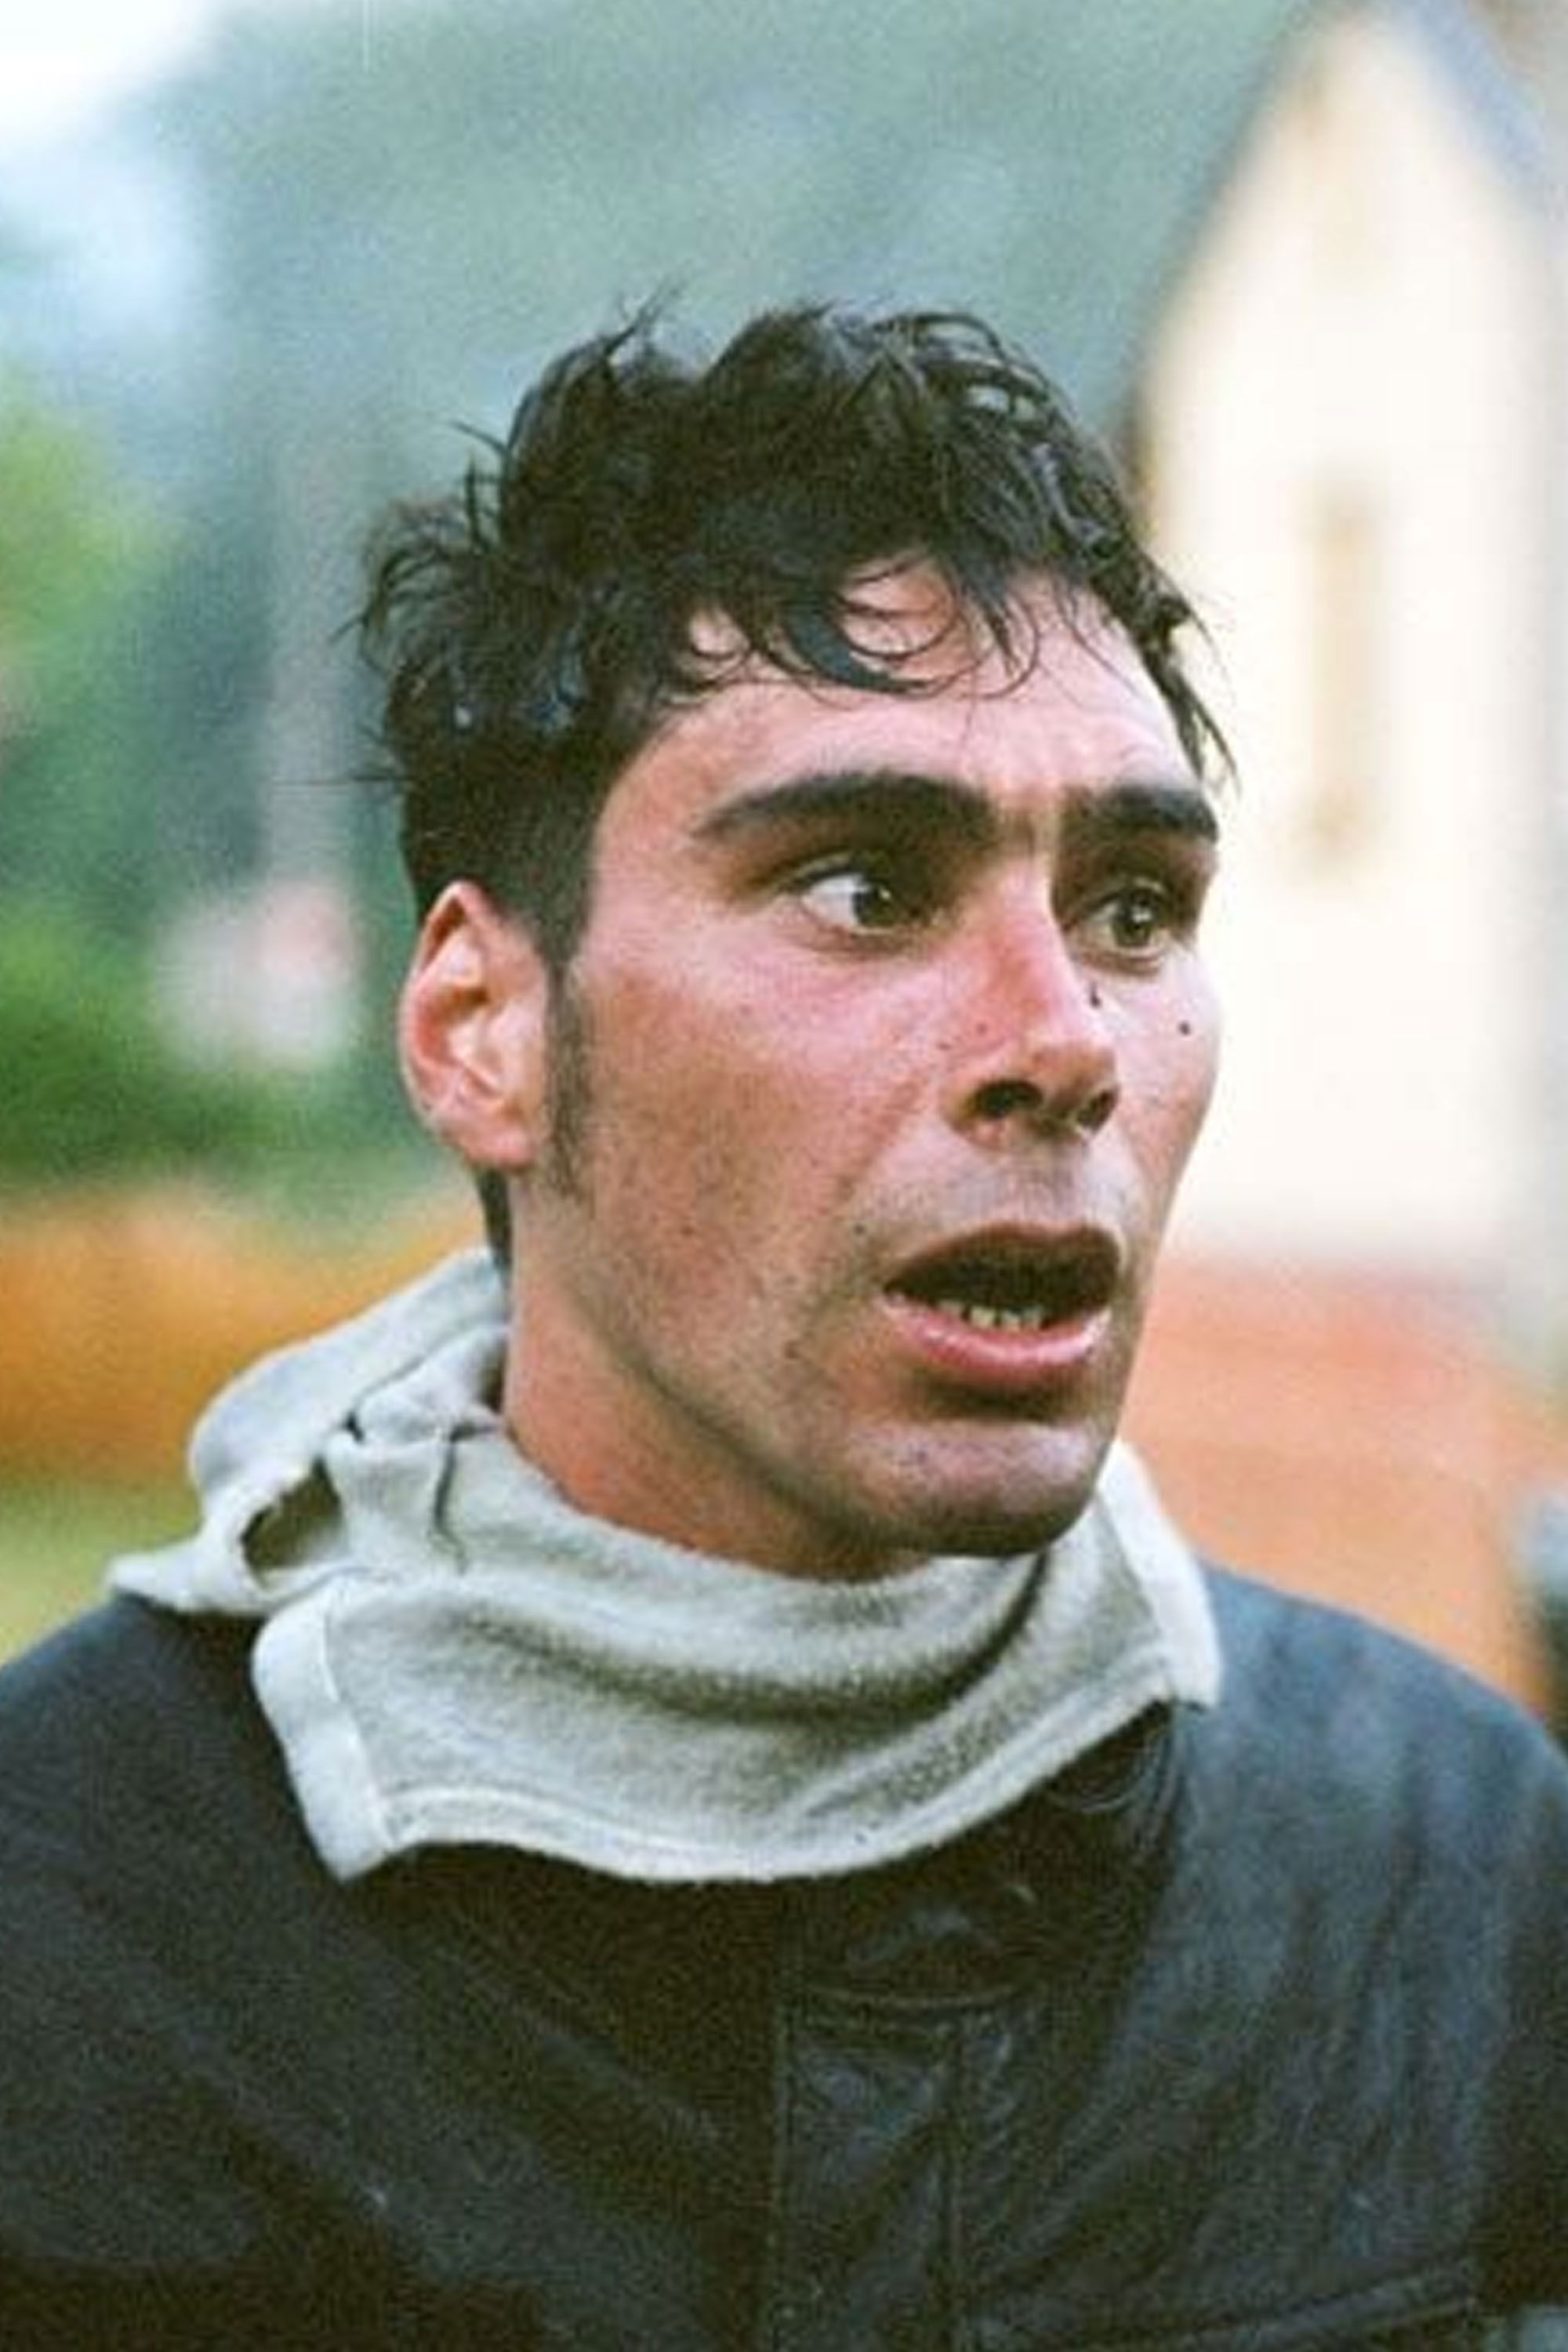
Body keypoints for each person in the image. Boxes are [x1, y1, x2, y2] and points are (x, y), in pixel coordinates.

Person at [0, 302, 1565, 2351]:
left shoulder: (1454, 1874)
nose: (1066, 1042)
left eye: (1133, 910)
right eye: (865, 889)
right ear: (486, 1030)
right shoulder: (79, 1927)